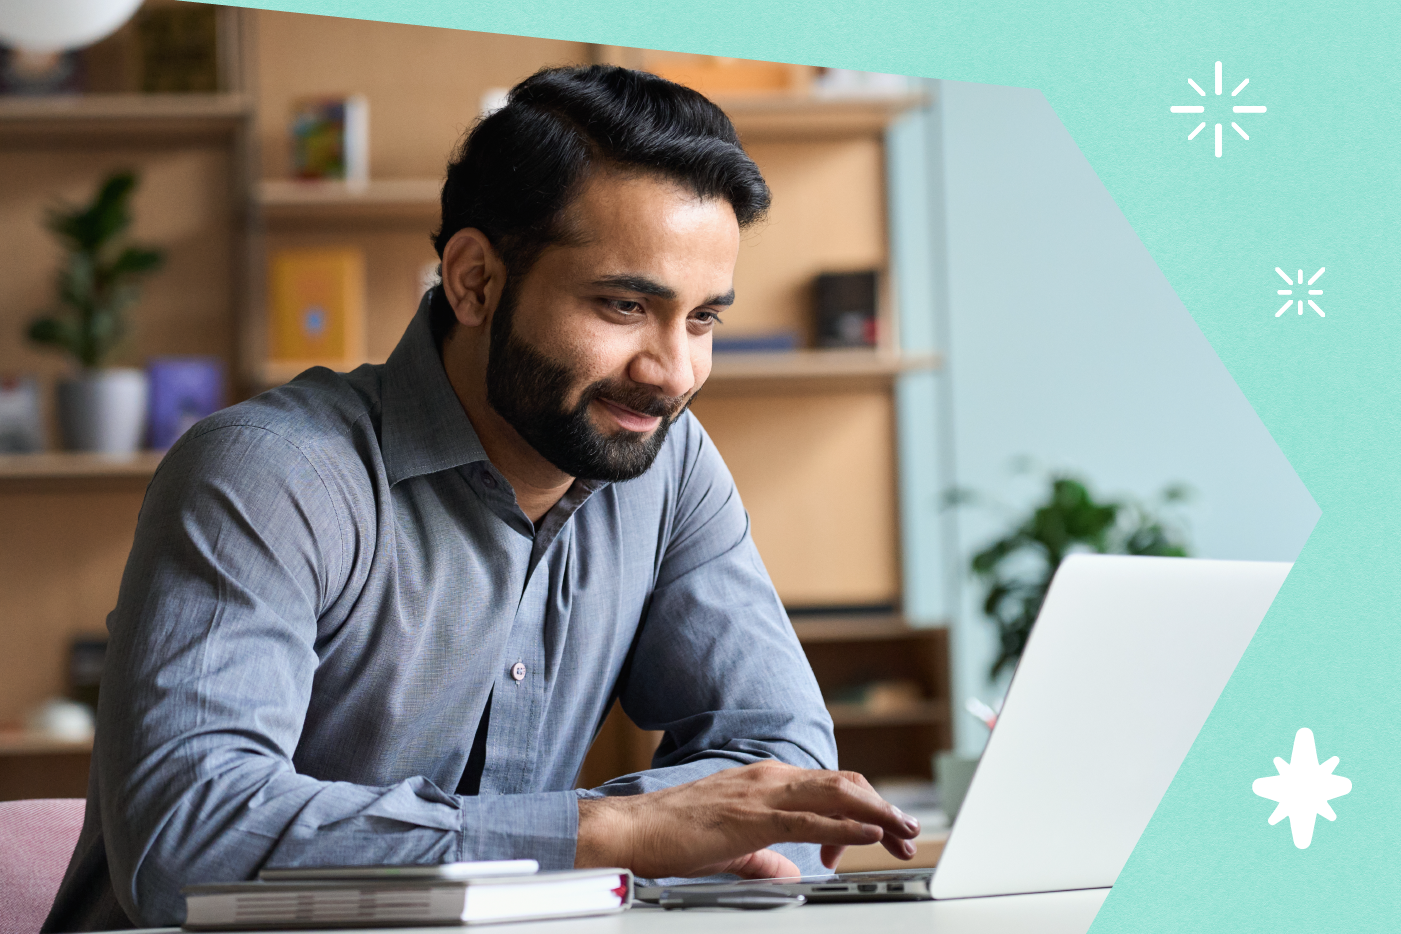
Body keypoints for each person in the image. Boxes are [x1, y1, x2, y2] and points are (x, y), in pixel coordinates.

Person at [44, 64, 920, 931]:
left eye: (702, 320)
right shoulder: (268, 474)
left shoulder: (669, 463)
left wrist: (650, 836)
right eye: (622, 306)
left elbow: (784, 762)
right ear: (473, 281)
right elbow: (187, 842)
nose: (672, 373)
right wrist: (611, 832)